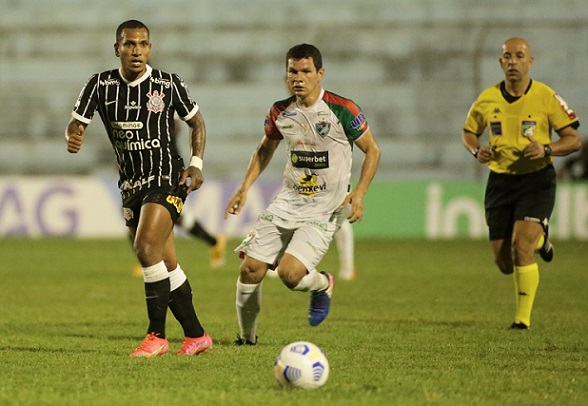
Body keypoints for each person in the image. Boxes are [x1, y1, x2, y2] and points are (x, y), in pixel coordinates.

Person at [66, 19, 213, 357]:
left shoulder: (167, 83)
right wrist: (73, 135)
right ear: (116, 48)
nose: (136, 50)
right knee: (166, 262)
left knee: (146, 247)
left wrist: (196, 163)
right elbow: (76, 122)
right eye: (129, 44)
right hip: (130, 182)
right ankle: (196, 335)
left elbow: (197, 122)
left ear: (150, 48)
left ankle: (156, 336)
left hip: (166, 177)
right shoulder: (100, 85)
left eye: (143, 44)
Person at [224, 44, 380, 345]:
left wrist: (359, 192)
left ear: (320, 74)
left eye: (306, 71)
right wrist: (244, 188)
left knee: (290, 275)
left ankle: (321, 284)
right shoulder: (280, 112)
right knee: (250, 270)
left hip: (326, 206)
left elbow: (372, 149)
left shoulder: (342, 110)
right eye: (292, 71)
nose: (298, 77)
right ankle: (247, 338)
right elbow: (265, 149)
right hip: (288, 201)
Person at [461, 37, 582, 330]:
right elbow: (468, 133)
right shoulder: (488, 98)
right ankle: (541, 239)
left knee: (521, 247)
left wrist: (547, 148)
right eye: (507, 56)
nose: (513, 61)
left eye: (519, 55)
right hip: (500, 181)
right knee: (504, 263)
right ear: (501, 62)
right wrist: (478, 150)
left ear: (530, 61)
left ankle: (522, 319)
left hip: (536, 179)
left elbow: (574, 139)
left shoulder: (546, 97)